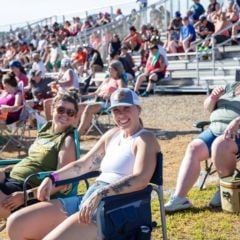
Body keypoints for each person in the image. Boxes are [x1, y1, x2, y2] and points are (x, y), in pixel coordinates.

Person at [6, 87, 160, 240]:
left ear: (138, 109)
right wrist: (52, 178)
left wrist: (102, 193)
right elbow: (84, 164)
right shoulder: (112, 134)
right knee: (16, 224)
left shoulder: (145, 139)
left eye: (126, 108)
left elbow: (141, 179)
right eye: (116, 110)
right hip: (91, 197)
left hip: (116, 207)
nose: (121, 115)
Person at [0, 88, 80, 219]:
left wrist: (25, 196)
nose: (65, 114)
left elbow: (63, 181)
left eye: (70, 112)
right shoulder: (45, 129)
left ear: (75, 117)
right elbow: (33, 159)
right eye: (61, 110)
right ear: (52, 109)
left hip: (25, 186)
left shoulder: (67, 140)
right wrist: (6, 171)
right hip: (11, 176)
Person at [165, 82, 240, 212]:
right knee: (193, 148)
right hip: (214, 129)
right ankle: (179, 198)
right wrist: (213, 98)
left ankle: (224, 188)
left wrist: (237, 121)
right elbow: (208, 108)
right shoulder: (230, 87)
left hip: (235, 133)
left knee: (220, 144)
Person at [77, 60, 126, 135]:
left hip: (108, 103)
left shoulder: (119, 81)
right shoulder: (106, 80)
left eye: (110, 68)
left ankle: (78, 133)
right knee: (78, 106)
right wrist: (81, 95)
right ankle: (73, 129)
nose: (108, 70)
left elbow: (122, 93)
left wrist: (110, 95)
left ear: (116, 70)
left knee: (89, 107)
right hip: (97, 101)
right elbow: (95, 93)